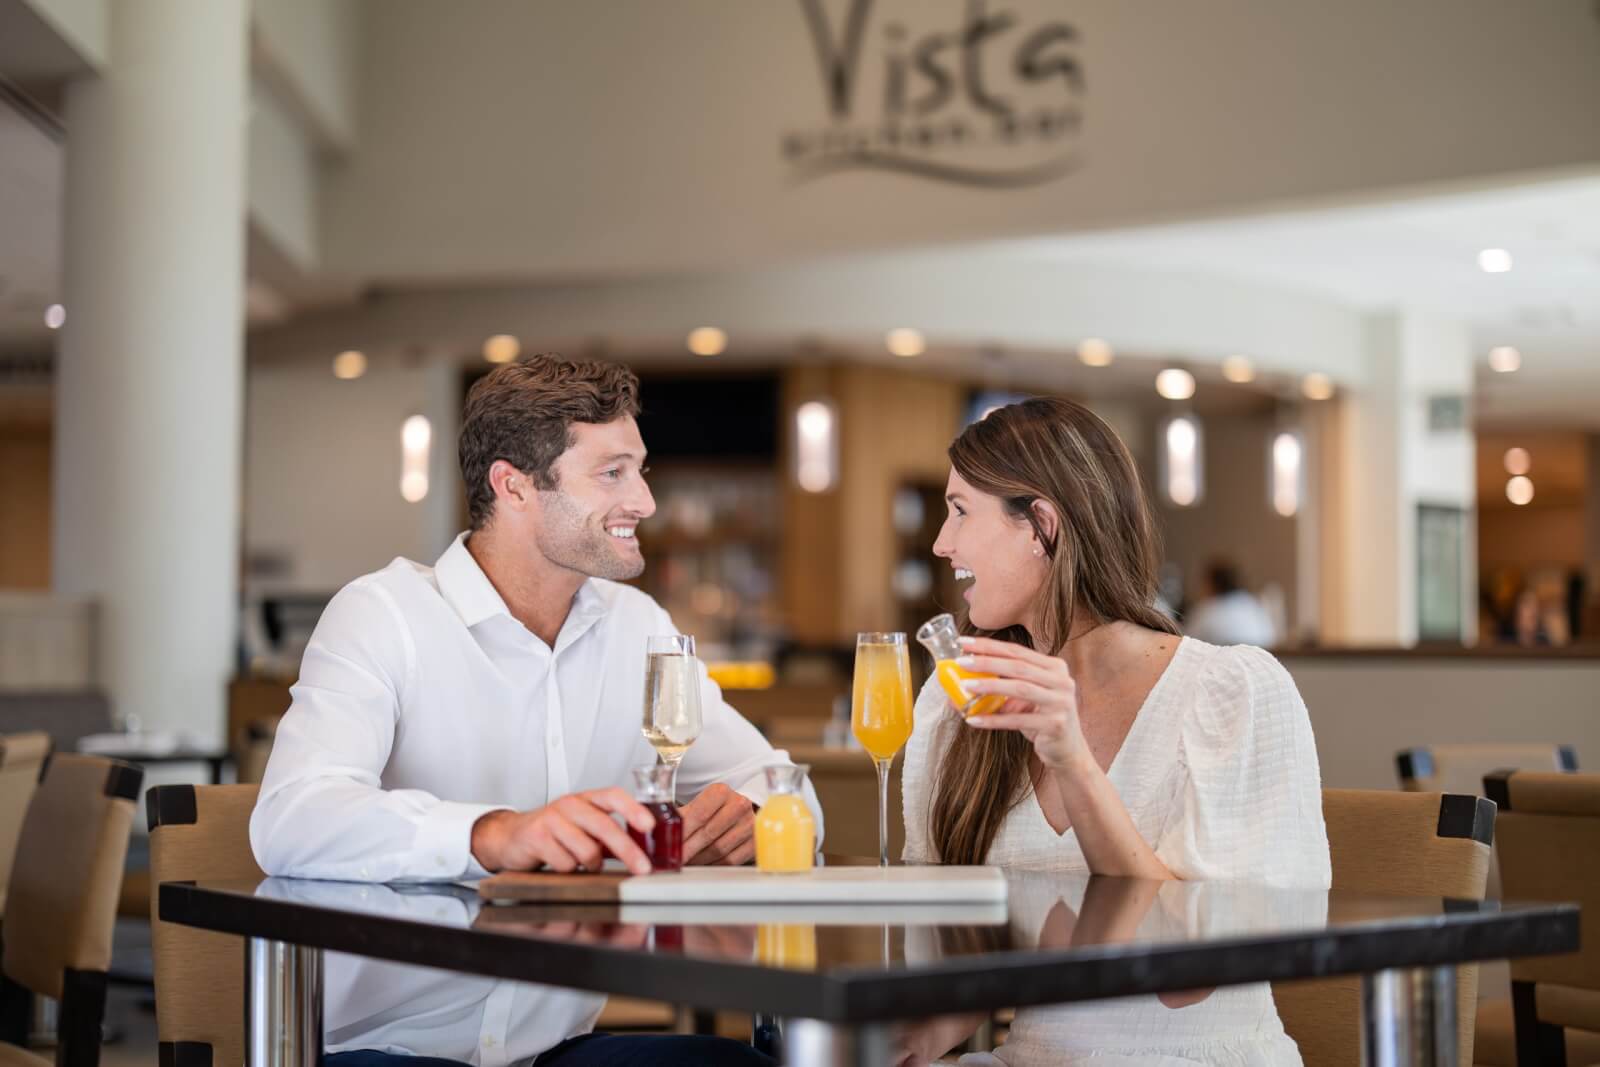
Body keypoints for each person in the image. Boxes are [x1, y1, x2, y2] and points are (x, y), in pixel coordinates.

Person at [251, 355, 813, 1067]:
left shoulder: (638, 627)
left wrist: (755, 817)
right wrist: (491, 833)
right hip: (387, 1046)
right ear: (513, 485)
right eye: (613, 473)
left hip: (555, 1048)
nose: (644, 500)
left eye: (640, 470)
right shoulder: (381, 615)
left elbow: (785, 783)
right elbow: (291, 818)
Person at [899, 397, 1329, 1066]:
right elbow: (963, 952)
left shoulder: (1231, 694)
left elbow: (1189, 975)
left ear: (1041, 523)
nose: (940, 542)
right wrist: (919, 1036)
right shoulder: (959, 703)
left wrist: (1072, 759)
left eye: (960, 511)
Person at [1182, 560, 1278, 648]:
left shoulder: (1207, 610)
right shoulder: (1252, 604)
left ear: (1211, 583)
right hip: (1258, 662)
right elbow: (1270, 636)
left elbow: (1186, 642)